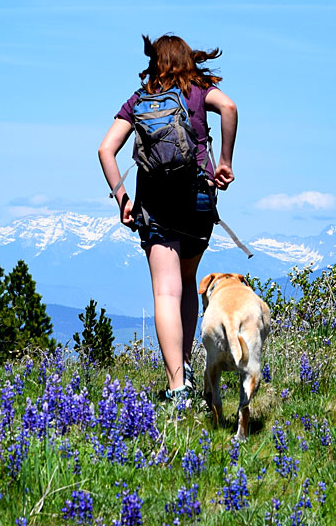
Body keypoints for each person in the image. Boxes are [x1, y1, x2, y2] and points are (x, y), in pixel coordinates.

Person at [98, 34, 237, 401]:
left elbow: (105, 149)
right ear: (188, 60)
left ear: (155, 62)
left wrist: (122, 198)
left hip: (156, 205)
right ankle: (187, 366)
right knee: (188, 281)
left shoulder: (140, 98)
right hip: (199, 201)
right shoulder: (199, 90)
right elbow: (230, 108)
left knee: (165, 291)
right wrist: (225, 162)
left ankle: (177, 388)